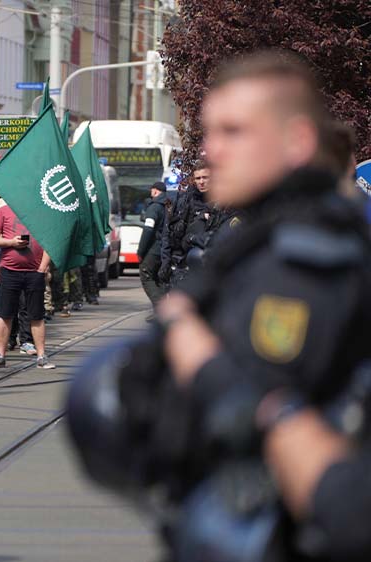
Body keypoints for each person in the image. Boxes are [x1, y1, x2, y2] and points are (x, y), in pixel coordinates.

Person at [152, 52, 371, 559]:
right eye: (209, 132)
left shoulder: (305, 262)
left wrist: (191, 345)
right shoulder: (261, 242)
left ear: (296, 142)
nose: (212, 150)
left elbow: (269, 409)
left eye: (233, 132)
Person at [0, 203, 55, 370]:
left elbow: (49, 242)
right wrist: (11, 242)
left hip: (35, 272)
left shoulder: (42, 212)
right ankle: (0, 355)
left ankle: (41, 355)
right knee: (5, 314)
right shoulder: (3, 211)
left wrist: (42, 268)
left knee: (37, 315)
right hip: (10, 270)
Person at [137, 181, 167, 307]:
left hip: (155, 247)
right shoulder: (169, 205)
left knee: (146, 274)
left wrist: (140, 250)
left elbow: (148, 229)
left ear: (155, 191)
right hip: (166, 248)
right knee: (159, 278)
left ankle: (161, 308)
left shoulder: (154, 206)